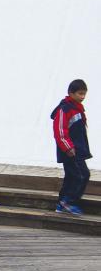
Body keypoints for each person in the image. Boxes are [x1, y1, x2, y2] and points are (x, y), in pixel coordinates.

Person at [51, 78, 91, 217]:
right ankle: (69, 202)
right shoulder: (65, 109)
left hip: (78, 150)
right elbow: (60, 131)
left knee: (71, 176)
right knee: (81, 175)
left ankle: (61, 203)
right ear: (71, 93)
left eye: (84, 94)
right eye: (80, 93)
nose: (83, 97)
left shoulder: (77, 108)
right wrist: (68, 148)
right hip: (70, 151)